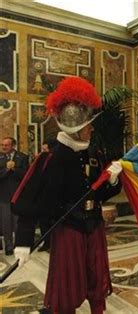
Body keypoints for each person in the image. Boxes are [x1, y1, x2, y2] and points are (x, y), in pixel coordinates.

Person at [14, 76, 123, 314]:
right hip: (68, 231)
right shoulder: (50, 159)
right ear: (75, 128)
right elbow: (28, 201)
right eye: (88, 125)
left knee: (97, 281)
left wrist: (113, 180)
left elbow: (100, 193)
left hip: (94, 228)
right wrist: (23, 242)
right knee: (67, 286)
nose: (92, 128)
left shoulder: (94, 155)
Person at [0, 136, 29, 255]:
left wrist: (14, 169)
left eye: (6, 145)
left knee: (18, 223)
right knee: (6, 223)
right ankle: (8, 246)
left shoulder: (22, 157)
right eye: (2, 145)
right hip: (4, 196)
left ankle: (19, 245)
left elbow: (26, 175)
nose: (3, 147)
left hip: (18, 196)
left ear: (13, 146)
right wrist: (6, 169)